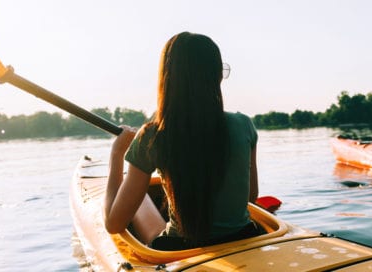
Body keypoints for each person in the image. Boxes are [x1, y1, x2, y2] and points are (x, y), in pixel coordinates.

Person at [104, 32, 261, 250]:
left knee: (138, 201)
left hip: (180, 249)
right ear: (216, 75)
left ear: (167, 78)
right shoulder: (244, 125)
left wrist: (117, 153)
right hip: (245, 238)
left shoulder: (151, 135)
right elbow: (250, 197)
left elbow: (114, 224)